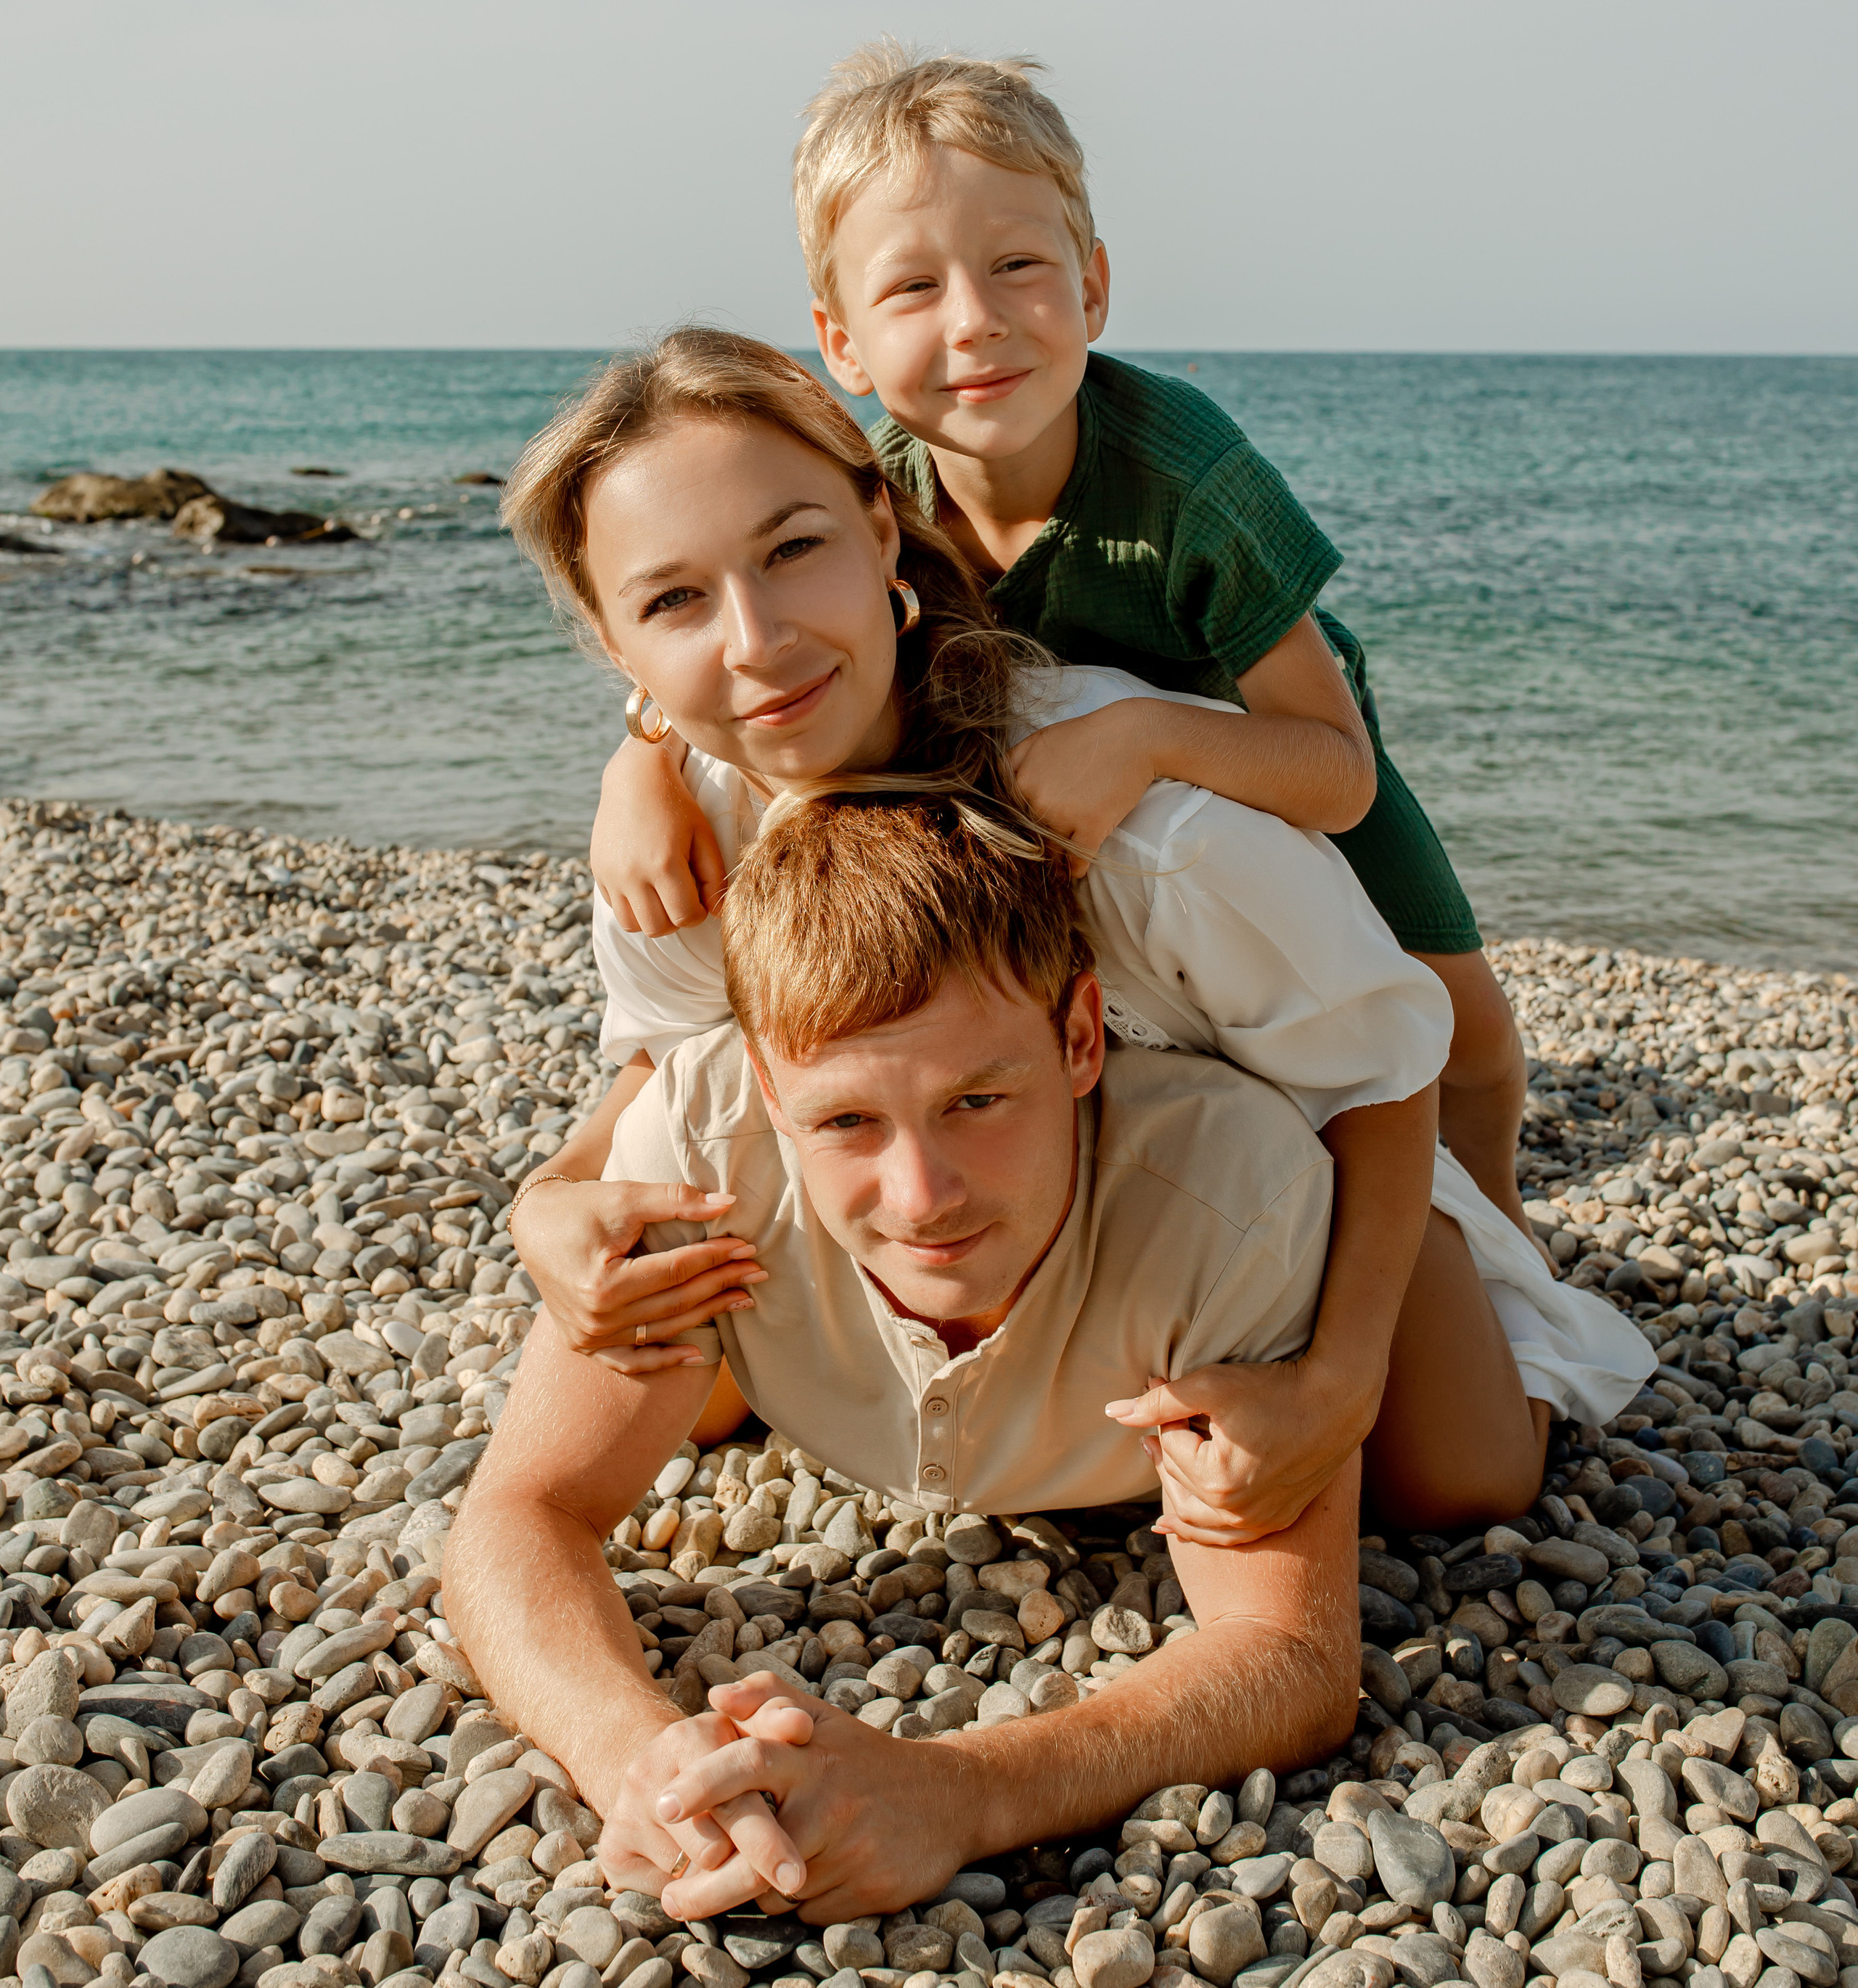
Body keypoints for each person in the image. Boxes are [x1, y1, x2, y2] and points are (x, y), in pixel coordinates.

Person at [498, 332, 1650, 1541]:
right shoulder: (682, 835)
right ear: (614, 644)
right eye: (674, 599)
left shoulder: (1146, 824)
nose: (757, 641)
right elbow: (671, 1065)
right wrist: (546, 1206)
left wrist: (1336, 1381)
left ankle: (1490, 1309)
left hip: (1270, 1185)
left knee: (1460, 1486)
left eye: (794, 550)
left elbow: (1381, 1074)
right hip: (957, 1180)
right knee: (687, 1380)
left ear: (883, 531)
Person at [443, 790, 1548, 1923]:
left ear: (1078, 1039)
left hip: (1313, 1212)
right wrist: (642, 1763)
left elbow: (1291, 1656)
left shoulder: (1233, 1197)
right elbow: (515, 1514)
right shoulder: (699, 1151)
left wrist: (956, 1793)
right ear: (771, 1089)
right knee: (698, 1381)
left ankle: (1488, 1220)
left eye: (978, 1099)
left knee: (1465, 1480)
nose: (923, 1198)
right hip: (799, 1279)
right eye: (846, 1124)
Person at [592, 46, 1529, 1230]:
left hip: (1254, 727)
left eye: (1018, 267)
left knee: (1464, 1023)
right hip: (1054, 749)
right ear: (841, 344)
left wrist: (1145, 736)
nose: (976, 322)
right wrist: (640, 765)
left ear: (1091, 288)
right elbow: (731, 618)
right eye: (913, 288)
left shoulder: (1187, 475)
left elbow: (1335, 775)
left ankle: (1501, 1227)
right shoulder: (870, 497)